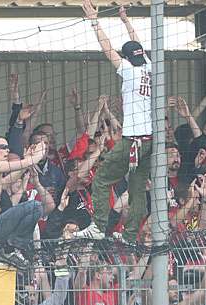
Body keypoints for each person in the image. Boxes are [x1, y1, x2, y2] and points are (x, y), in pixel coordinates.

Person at [82, 1, 153, 243]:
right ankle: (130, 235)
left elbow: (107, 49)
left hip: (132, 141)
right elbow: (137, 43)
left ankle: (99, 226)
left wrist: (94, 21)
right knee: (137, 188)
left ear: (127, 57)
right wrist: (124, 20)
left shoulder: (130, 72)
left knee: (101, 179)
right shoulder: (150, 68)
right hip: (150, 141)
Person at [0, 127, 47, 257]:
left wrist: (27, 161)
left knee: (34, 208)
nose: (7, 150)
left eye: (7, 147)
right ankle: (15, 246)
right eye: (3, 147)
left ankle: (13, 245)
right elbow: (26, 163)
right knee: (35, 206)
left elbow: (9, 179)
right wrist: (39, 153)